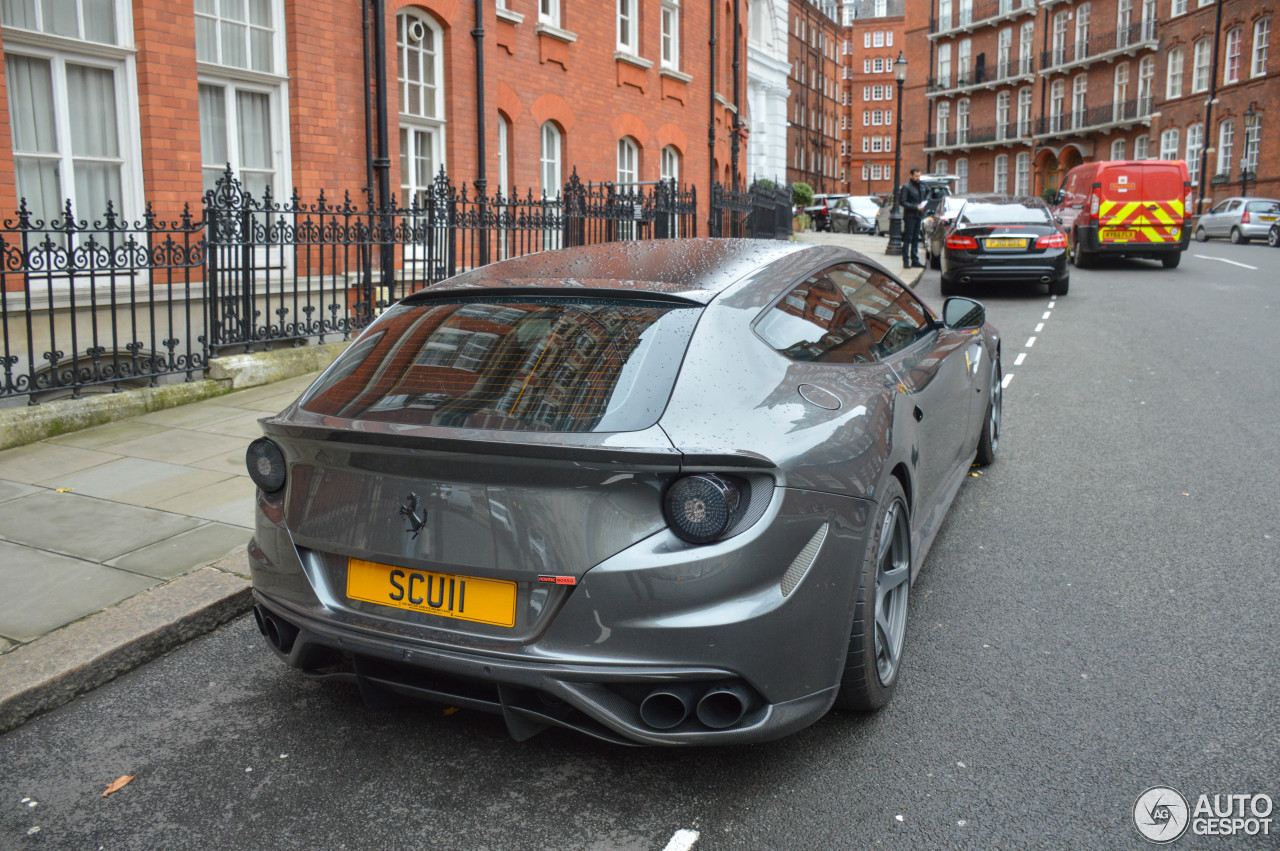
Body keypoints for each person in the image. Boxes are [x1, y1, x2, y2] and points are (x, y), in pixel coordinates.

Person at [899, 168, 927, 269]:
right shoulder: (906, 187)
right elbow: (902, 201)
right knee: (908, 239)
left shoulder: (922, 185)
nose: (918, 178)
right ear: (911, 175)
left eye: (919, 176)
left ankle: (915, 260)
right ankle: (906, 261)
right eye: (916, 176)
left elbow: (928, 191)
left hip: (918, 215)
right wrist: (915, 207)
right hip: (910, 216)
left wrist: (925, 202)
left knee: (915, 239)